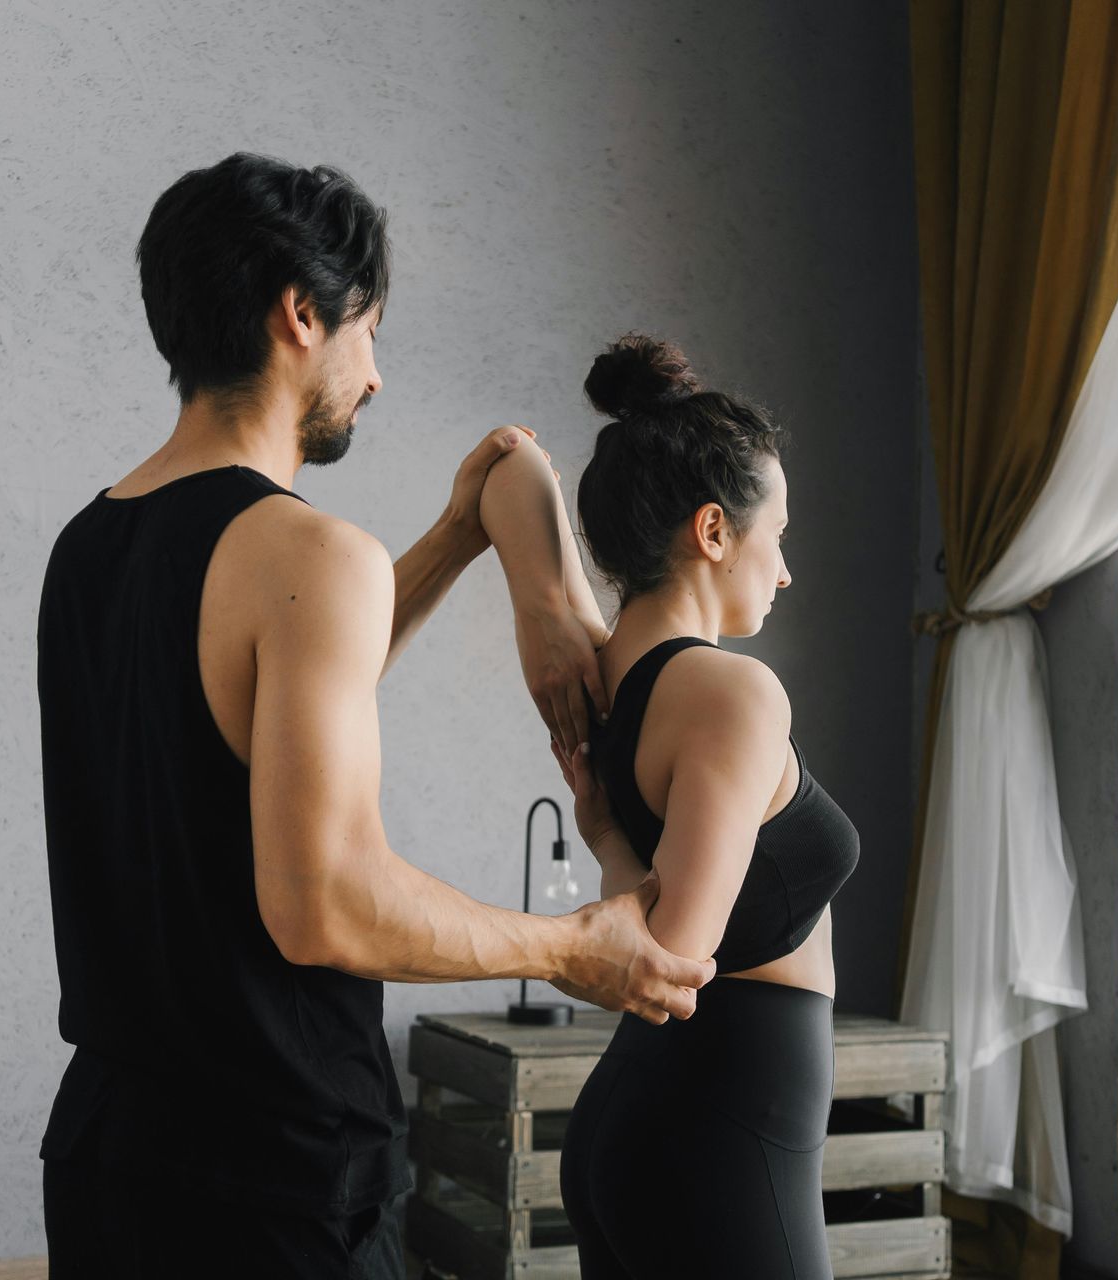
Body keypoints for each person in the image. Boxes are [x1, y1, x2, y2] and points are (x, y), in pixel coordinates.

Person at [33, 155, 715, 1279]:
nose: (378, 376)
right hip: (275, 1178)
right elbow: (327, 906)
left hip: (111, 1151)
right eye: (369, 331)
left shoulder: (90, 543)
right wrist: (570, 948)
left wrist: (455, 535)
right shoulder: (306, 555)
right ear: (301, 313)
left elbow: (251, 708)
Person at [482, 334, 862, 1279]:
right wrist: (538, 608)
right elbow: (672, 962)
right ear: (714, 532)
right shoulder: (735, 695)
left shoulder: (607, 673)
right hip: (724, 1144)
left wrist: (541, 609)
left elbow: (508, 460)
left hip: (650, 1129)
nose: (783, 572)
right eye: (776, 539)